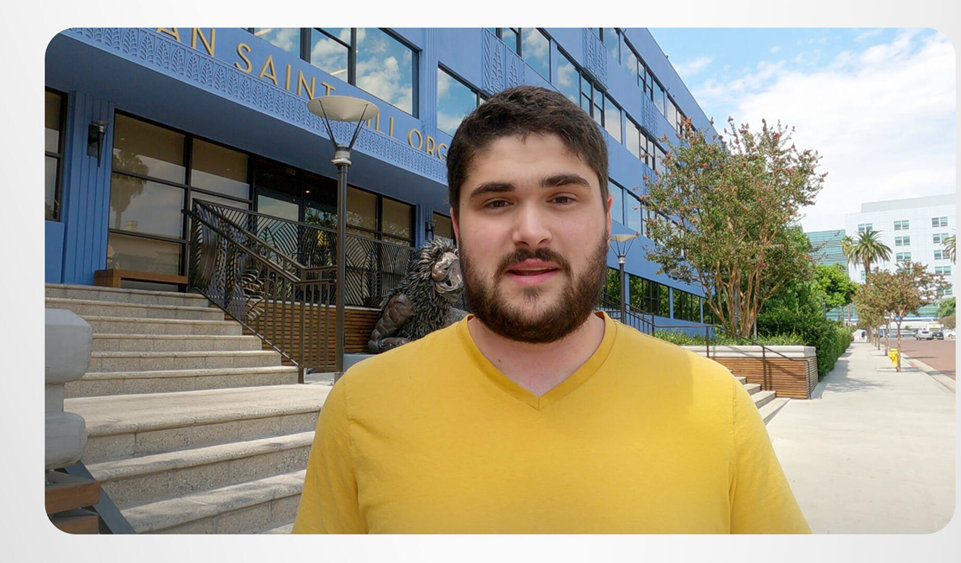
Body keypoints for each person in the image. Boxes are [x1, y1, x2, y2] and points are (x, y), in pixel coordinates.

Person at [292, 85, 810, 534]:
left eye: (562, 198)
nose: (531, 232)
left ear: (605, 217)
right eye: (497, 202)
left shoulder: (716, 405)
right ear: (457, 225)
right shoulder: (360, 406)